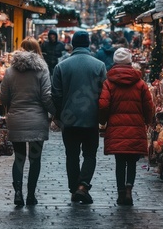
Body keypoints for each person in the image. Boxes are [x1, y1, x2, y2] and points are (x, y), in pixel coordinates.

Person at [51, 31, 107, 204]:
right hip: (91, 118)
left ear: (73, 44)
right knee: (90, 154)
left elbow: (56, 94)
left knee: (72, 155)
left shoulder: (62, 66)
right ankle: (82, 186)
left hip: (69, 119)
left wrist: (58, 116)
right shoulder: (99, 65)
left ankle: (74, 189)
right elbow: (104, 93)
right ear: (88, 44)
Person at [0, 37, 56, 206]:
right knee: (35, 159)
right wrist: (55, 113)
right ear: (38, 50)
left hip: (16, 120)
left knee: (19, 158)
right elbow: (46, 97)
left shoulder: (10, 71)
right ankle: (31, 195)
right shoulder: (42, 69)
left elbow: (3, 98)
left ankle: (18, 193)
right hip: (37, 121)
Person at [98, 47, 154, 205]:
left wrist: (103, 121)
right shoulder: (140, 83)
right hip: (135, 127)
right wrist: (148, 121)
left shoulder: (109, 82)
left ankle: (121, 192)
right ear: (130, 62)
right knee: (132, 161)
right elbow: (148, 106)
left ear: (115, 62)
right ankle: (129, 189)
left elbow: (103, 105)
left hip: (116, 128)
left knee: (120, 162)